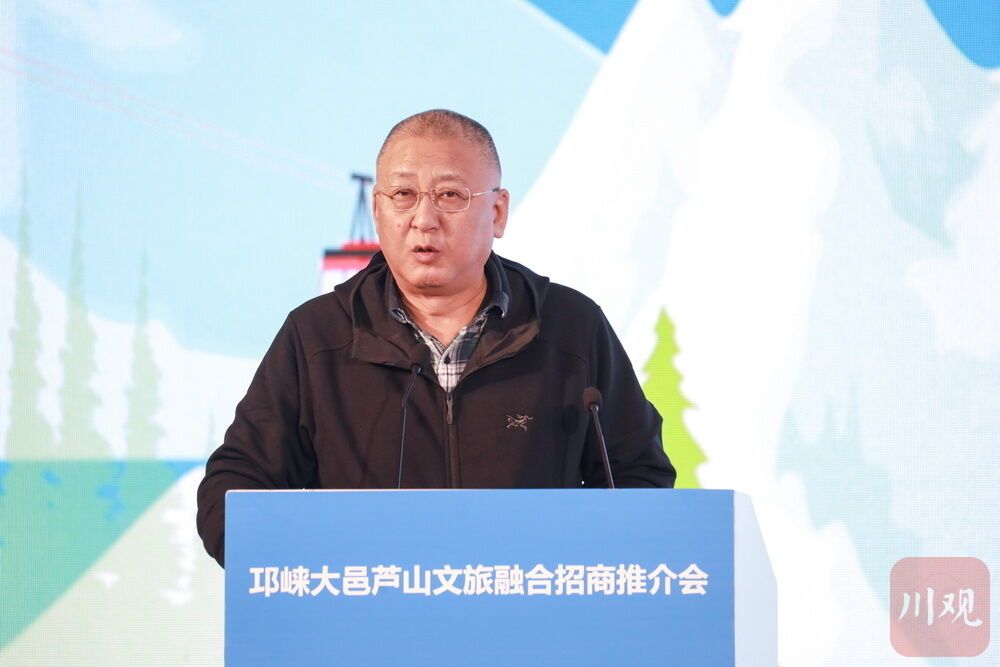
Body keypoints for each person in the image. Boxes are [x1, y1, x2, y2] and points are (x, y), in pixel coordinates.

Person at [196, 109, 675, 567]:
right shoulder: (318, 336)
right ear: (377, 209)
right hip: (368, 614)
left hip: (527, 611)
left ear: (498, 212)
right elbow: (231, 494)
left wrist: (565, 571)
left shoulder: (570, 328)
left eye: (450, 195)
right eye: (403, 194)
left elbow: (639, 478)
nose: (423, 219)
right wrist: (319, 575)